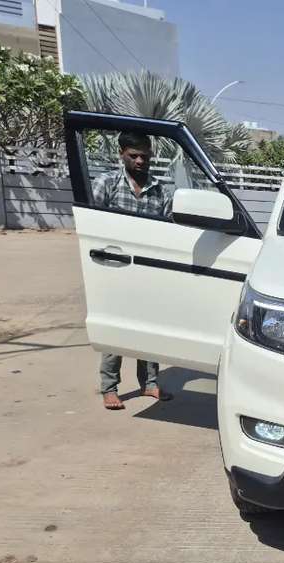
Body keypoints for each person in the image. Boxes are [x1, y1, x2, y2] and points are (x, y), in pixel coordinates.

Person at [92, 132, 174, 410]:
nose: (140, 161)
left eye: (144, 156)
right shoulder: (107, 183)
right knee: (116, 332)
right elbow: (91, 224)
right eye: (133, 156)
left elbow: (169, 231)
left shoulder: (161, 190)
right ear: (122, 154)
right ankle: (109, 388)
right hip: (113, 269)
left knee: (149, 331)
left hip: (149, 272)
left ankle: (150, 384)